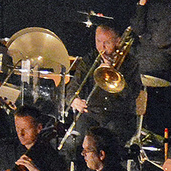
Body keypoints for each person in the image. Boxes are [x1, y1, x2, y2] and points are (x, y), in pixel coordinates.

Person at [60, 23, 141, 159]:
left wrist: (115, 73)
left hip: (119, 116)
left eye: (107, 42)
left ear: (118, 41)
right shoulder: (89, 60)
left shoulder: (131, 63)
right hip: (92, 114)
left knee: (106, 147)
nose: (101, 47)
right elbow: (73, 86)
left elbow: (132, 95)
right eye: (98, 41)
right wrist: (74, 100)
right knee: (74, 144)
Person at [130, 0, 171, 128]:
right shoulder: (154, 3)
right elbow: (136, 28)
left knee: (126, 71)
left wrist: (143, 36)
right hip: (145, 57)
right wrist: (142, 2)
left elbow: (160, 40)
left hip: (159, 64)